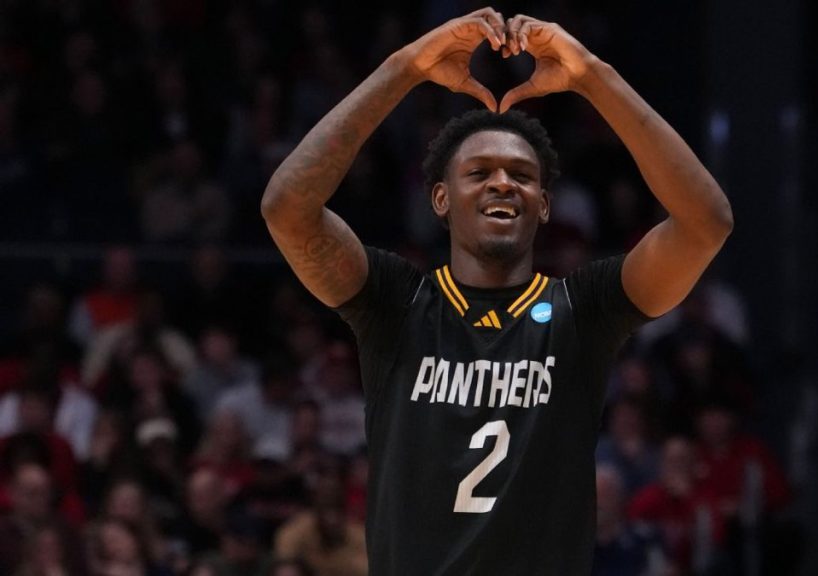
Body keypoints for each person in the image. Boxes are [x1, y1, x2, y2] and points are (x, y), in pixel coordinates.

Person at [261, 8, 732, 574]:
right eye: (479, 171)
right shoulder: (397, 304)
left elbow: (707, 221)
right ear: (441, 199)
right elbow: (287, 209)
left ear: (545, 204)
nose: (503, 181)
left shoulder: (581, 312)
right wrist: (404, 68)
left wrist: (593, 77)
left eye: (523, 175)